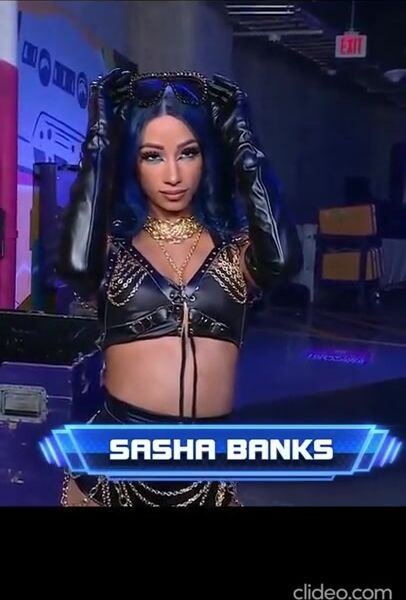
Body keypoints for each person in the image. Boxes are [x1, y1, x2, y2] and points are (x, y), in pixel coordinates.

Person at [57, 69, 302, 507]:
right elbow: (76, 265)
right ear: (132, 163)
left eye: (188, 153)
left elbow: (282, 261)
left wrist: (244, 143)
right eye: (152, 156)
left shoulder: (234, 250)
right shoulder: (113, 248)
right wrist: (99, 142)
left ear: (206, 158)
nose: (173, 174)